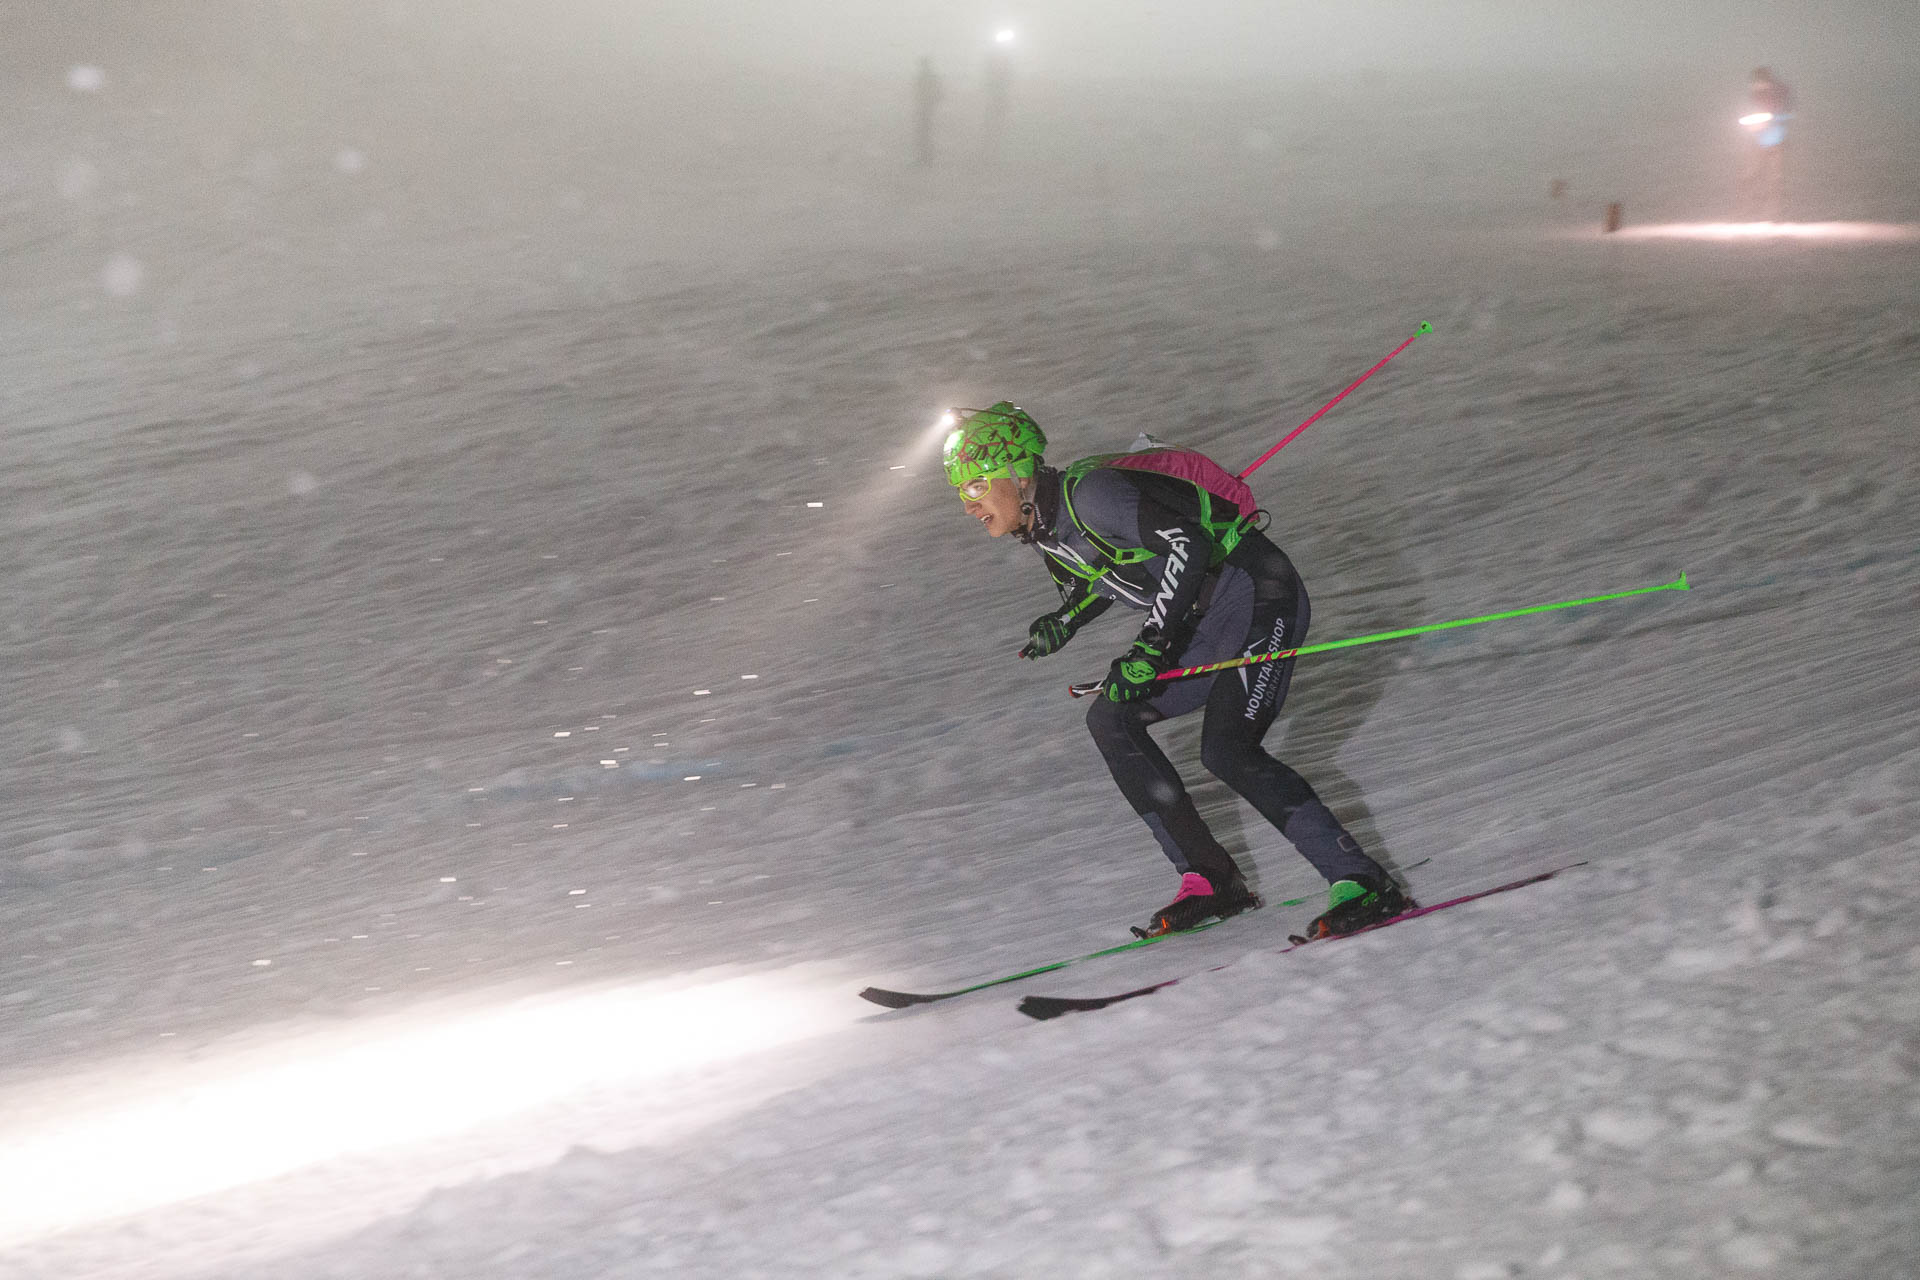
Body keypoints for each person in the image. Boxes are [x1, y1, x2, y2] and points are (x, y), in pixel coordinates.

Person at [941, 402, 1410, 938]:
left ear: (1018, 474)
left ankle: (1363, 881)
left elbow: (1187, 545)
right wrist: (1066, 619)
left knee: (1227, 749)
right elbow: (1112, 574)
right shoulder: (1047, 533)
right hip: (1207, 621)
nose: (968, 504)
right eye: (961, 493)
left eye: (976, 486)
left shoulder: (1091, 493)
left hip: (1258, 593)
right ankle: (1211, 880)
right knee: (1110, 720)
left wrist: (1151, 648)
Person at [1740, 67, 1793, 220]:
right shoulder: (1757, 93)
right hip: (1759, 138)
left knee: (1775, 178)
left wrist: (1773, 120)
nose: (1756, 86)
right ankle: (1748, 211)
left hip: (1775, 139)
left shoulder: (1779, 93)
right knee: (1752, 175)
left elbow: (1784, 114)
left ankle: (1775, 213)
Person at [911, 56, 943, 169]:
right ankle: (926, 158)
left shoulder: (924, 77)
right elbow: (938, 92)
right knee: (925, 133)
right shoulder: (930, 77)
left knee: (924, 133)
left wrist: (928, 101)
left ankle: (925, 158)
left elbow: (920, 91)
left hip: (925, 108)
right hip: (926, 107)